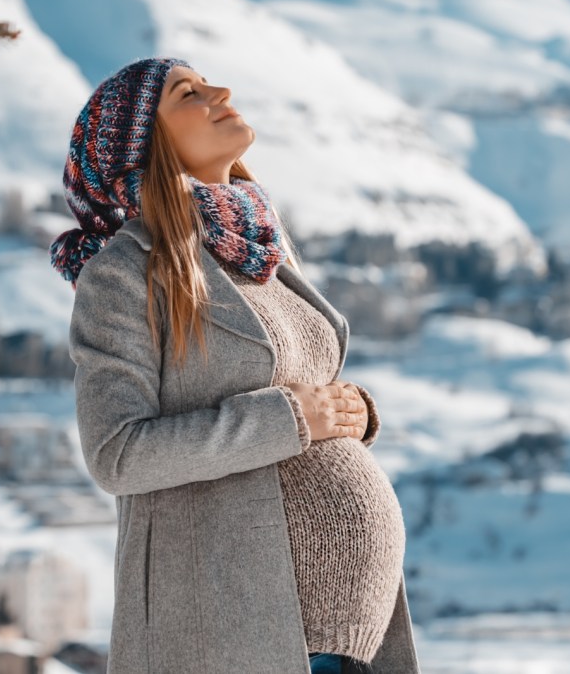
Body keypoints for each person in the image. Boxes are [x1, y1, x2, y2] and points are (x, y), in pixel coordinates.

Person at [50, 57, 421, 674]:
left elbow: (297, 397)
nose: (220, 91)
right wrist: (294, 417)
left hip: (340, 629)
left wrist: (348, 412)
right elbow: (116, 453)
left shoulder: (254, 249)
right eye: (186, 93)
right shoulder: (125, 273)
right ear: (143, 145)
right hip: (238, 627)